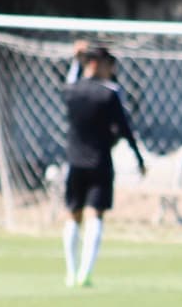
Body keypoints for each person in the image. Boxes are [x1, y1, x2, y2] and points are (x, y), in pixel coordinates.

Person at [61, 46, 144, 289]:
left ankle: (70, 271)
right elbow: (124, 128)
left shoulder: (72, 90)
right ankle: (85, 272)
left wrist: (75, 63)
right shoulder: (110, 94)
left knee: (72, 214)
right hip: (100, 161)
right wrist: (137, 156)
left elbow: (68, 89)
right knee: (95, 214)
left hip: (74, 160)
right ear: (98, 64)